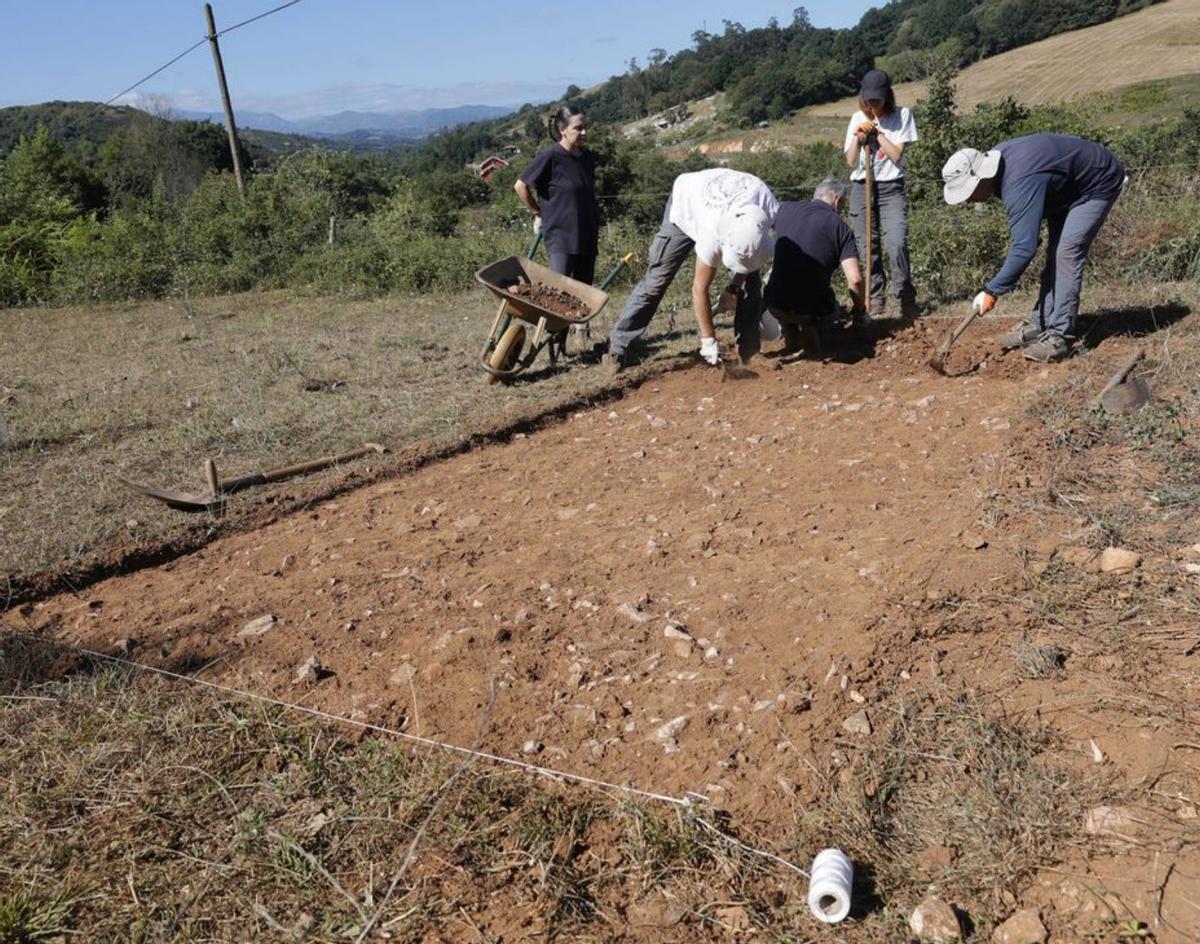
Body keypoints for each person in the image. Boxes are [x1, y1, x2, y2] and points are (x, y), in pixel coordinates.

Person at [942, 133, 1126, 363]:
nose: (967, 200)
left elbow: (1024, 248)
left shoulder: (1018, 181)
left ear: (980, 178)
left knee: (1066, 253)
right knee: (1055, 254)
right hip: (1065, 190)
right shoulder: (1002, 169)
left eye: (967, 192)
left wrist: (991, 290)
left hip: (1096, 182)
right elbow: (1029, 238)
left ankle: (1059, 337)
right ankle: (1039, 324)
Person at [603, 167, 778, 374]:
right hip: (686, 203)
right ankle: (618, 348)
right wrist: (708, 340)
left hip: (728, 203)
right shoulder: (711, 233)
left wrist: (734, 288)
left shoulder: (768, 212)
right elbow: (699, 288)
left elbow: (750, 258)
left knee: (751, 283)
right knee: (657, 280)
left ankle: (749, 351)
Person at [514, 104, 599, 336]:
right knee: (558, 293)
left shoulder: (587, 157)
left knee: (583, 291)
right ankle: (556, 338)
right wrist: (536, 211)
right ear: (563, 129)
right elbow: (520, 186)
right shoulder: (550, 156)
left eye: (585, 128)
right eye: (578, 128)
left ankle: (582, 335)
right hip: (560, 234)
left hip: (587, 232)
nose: (584, 133)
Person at [843, 69, 919, 319]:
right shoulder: (856, 118)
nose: (873, 104)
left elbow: (896, 156)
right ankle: (876, 298)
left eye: (877, 98)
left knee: (897, 243)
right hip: (861, 187)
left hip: (891, 188)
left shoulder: (902, 116)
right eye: (869, 99)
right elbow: (851, 161)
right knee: (868, 246)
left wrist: (878, 134)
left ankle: (905, 296)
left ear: (888, 95)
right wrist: (859, 137)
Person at [763, 179, 865, 356]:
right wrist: (860, 311)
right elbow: (855, 281)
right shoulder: (841, 228)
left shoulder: (784, 209)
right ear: (837, 199)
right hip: (811, 307)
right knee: (834, 310)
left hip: (774, 302)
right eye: (842, 205)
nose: (841, 210)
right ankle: (815, 331)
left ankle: (791, 335)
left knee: (782, 280)